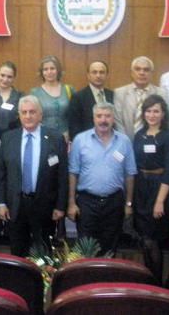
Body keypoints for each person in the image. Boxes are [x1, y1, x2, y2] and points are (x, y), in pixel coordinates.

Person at [0, 95, 68, 257]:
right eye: (24, 112)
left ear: (40, 114)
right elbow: (1, 173)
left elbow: (62, 175)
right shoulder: (8, 138)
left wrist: (60, 206)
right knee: (18, 251)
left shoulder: (56, 138)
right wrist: (1, 203)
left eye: (32, 112)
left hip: (45, 205)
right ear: (19, 115)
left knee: (44, 253)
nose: (28, 116)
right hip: (16, 205)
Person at [67, 103, 136, 255]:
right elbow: (73, 173)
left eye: (107, 116)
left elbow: (130, 174)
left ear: (113, 119)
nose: (103, 120)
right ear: (93, 118)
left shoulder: (124, 142)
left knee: (110, 249)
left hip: (114, 202)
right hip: (86, 202)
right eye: (99, 116)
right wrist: (71, 203)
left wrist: (128, 203)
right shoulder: (80, 140)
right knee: (85, 249)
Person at [132, 94, 169, 281]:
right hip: (140, 189)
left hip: (159, 189)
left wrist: (160, 201)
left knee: (152, 239)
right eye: (148, 111)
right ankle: (147, 280)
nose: (152, 115)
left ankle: (157, 283)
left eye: (156, 111)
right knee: (144, 238)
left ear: (163, 114)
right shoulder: (139, 135)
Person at [114, 56, 167, 141]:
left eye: (146, 70)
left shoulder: (161, 93)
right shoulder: (120, 93)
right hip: (126, 141)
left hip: (154, 142)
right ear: (132, 72)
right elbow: (118, 122)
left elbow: (165, 121)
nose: (142, 73)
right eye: (137, 69)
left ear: (151, 73)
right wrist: (125, 142)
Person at [30, 55, 76, 143]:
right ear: (42, 72)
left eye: (52, 68)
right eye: (45, 69)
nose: (49, 72)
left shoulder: (69, 90)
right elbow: (32, 117)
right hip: (43, 137)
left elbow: (75, 115)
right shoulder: (35, 93)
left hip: (66, 137)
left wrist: (69, 133)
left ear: (58, 70)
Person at [68, 61, 114, 141]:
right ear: (88, 75)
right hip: (87, 143)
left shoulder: (112, 95)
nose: (98, 75)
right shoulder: (78, 97)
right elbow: (74, 126)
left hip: (110, 141)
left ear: (106, 75)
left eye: (102, 72)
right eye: (94, 72)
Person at [0, 61, 24, 137]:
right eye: (2, 75)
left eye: (9, 77)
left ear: (14, 78)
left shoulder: (20, 97)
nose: (5, 79)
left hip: (13, 137)